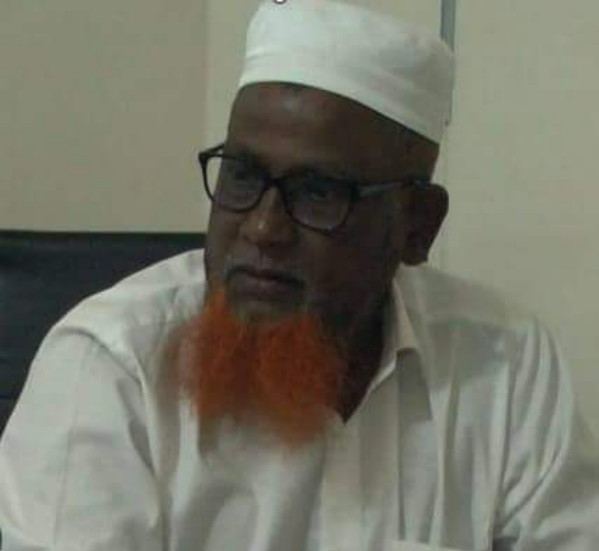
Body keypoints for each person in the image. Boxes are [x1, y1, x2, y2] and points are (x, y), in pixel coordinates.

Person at [1, 0, 598, 549]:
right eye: (241, 175)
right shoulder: (111, 368)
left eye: (318, 192)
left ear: (417, 226)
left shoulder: (504, 362)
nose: (263, 228)